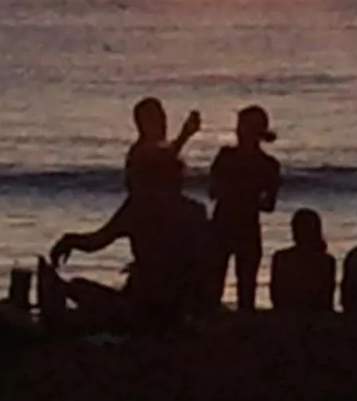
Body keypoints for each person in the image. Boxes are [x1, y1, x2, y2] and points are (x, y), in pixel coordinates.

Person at [41, 148, 219, 332]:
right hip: (176, 302)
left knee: (79, 289)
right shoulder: (192, 211)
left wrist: (70, 241)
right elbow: (206, 262)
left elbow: (98, 240)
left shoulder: (137, 208)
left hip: (150, 299)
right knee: (84, 291)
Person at [209, 104, 283, 311]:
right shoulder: (267, 164)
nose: (238, 131)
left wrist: (239, 194)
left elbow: (214, 192)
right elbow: (267, 204)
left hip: (233, 226)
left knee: (240, 289)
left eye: (242, 127)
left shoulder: (228, 157)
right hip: (236, 226)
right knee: (228, 287)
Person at [125, 95, 202, 197]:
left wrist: (185, 134)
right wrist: (184, 135)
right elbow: (161, 159)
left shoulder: (153, 150)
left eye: (162, 116)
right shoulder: (140, 152)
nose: (163, 122)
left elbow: (166, 154)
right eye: (155, 118)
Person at [269, 208, 336, 314]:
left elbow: (275, 295)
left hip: (288, 315)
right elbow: (327, 299)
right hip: (313, 316)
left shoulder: (281, 257)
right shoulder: (326, 260)